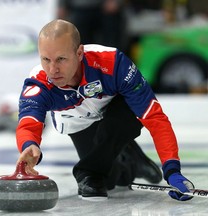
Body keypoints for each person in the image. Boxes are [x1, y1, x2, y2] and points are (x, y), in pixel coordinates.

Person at [15, 19, 194, 201]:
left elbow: (155, 117)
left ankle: (89, 170)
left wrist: (172, 171)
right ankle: (132, 160)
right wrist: (29, 144)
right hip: (77, 122)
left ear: (79, 53)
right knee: (110, 180)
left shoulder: (113, 63)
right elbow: (28, 123)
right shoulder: (39, 82)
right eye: (46, 59)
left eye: (61, 59)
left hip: (114, 111)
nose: (53, 70)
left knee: (93, 174)